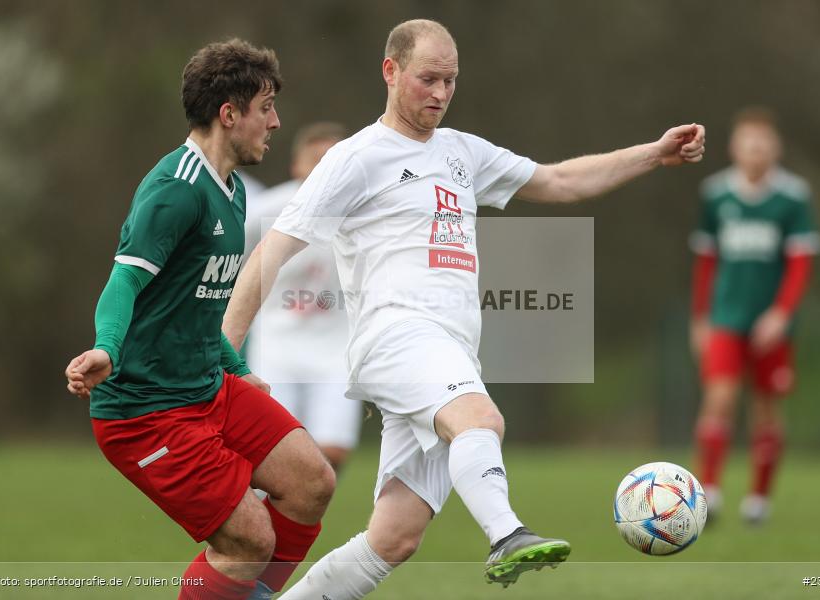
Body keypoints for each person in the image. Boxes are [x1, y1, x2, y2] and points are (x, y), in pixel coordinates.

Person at [223, 19, 705, 596]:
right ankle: (507, 534)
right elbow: (272, 252)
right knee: (480, 419)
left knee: (394, 538)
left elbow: (558, 182)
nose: (440, 92)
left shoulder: (462, 151)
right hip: (396, 336)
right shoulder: (356, 158)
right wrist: (226, 353)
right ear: (390, 71)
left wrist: (653, 153)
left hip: (447, 350)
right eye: (427, 79)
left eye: (450, 80)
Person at [64, 39, 335, 600]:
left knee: (311, 482)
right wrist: (106, 347)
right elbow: (124, 281)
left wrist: (236, 367)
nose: (275, 122)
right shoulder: (176, 190)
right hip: (146, 412)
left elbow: (196, 308)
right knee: (248, 541)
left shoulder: (231, 190)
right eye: (266, 108)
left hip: (207, 386)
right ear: (229, 114)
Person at [689, 107, 820, 524]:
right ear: (734, 148)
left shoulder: (792, 197)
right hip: (726, 317)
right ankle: (708, 493)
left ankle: (758, 500)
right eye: (748, 143)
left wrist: (781, 314)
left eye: (762, 144)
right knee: (720, 398)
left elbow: (800, 263)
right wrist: (700, 317)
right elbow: (706, 261)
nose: (755, 151)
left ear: (775, 148)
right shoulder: (716, 194)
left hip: (771, 324)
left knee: (766, 407)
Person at [244, 122, 360, 472]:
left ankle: (303, 498)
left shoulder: (365, 215)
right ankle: (278, 503)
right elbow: (227, 260)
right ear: (296, 166)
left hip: (335, 350)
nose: (324, 167)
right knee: (274, 451)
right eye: (316, 159)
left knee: (333, 451)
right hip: (277, 348)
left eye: (333, 159)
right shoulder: (265, 210)